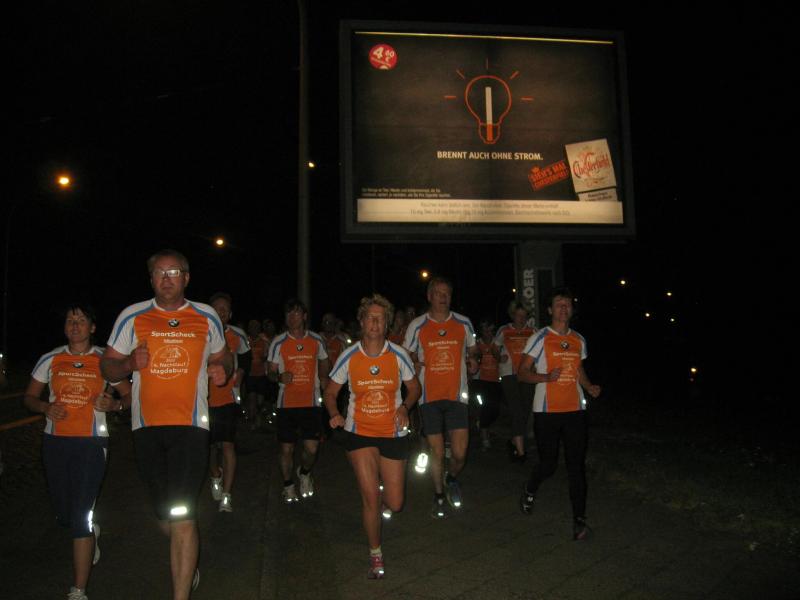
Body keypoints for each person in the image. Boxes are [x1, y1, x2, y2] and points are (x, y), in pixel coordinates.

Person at [101, 249, 232, 600]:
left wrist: (223, 369)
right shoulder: (132, 316)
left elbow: (224, 356)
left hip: (191, 427)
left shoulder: (205, 316)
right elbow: (107, 365)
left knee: (183, 512)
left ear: (186, 278)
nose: (167, 278)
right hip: (146, 427)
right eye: (160, 273)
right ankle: (187, 562)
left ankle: (180, 590)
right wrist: (128, 363)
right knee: (164, 513)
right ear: (151, 280)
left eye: (174, 272)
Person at [23, 304, 132, 600]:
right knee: (65, 515)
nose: (75, 325)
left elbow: (130, 395)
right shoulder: (50, 358)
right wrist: (44, 407)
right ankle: (89, 529)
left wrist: (115, 405)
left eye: (81, 320)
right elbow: (30, 397)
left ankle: (79, 589)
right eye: (70, 320)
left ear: (92, 327)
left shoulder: (105, 360)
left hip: (91, 444)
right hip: (55, 442)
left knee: (80, 516)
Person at [324, 294, 421, 579]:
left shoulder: (398, 355)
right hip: (359, 433)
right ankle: (375, 554)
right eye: (370, 317)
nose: (375, 323)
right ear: (362, 321)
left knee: (396, 503)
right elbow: (330, 392)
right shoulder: (349, 355)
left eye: (381, 318)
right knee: (369, 498)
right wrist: (334, 412)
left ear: (387, 323)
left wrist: (404, 407)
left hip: (392, 433)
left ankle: (383, 498)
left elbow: (415, 388)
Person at [517, 287, 601, 540]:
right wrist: (545, 377)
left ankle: (579, 521)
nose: (564, 308)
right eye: (559, 304)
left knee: (576, 466)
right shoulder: (540, 337)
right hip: (547, 411)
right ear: (550, 310)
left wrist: (589, 386)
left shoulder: (579, 340)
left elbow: (578, 370)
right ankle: (530, 488)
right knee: (549, 464)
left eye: (568, 304)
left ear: (572, 310)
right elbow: (522, 372)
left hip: (575, 410)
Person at [403, 276, 479, 518]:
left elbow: (473, 349)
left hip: (457, 396)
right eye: (438, 293)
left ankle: (451, 477)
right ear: (429, 296)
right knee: (436, 451)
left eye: (447, 293)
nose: (443, 297)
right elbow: (406, 354)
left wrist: (473, 360)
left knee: (460, 453)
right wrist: (414, 362)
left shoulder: (463, 323)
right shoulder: (417, 325)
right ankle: (438, 496)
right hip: (429, 397)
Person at [267, 299, 330, 503]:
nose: (292, 317)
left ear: (304, 316)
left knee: (311, 449)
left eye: (296, 313)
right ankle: (288, 485)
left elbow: (324, 360)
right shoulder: (278, 342)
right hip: (286, 404)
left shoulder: (316, 340)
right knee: (286, 449)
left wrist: (323, 378)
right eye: (289, 314)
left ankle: (304, 473)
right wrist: (278, 377)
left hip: (311, 403)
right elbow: (270, 371)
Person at [207, 293, 251, 513]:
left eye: (225, 309)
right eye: (217, 308)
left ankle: (226, 494)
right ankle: (215, 474)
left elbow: (246, 358)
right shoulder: (201, 333)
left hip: (228, 399)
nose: (221, 312)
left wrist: (240, 373)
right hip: (204, 399)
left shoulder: (237, 335)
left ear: (230, 313)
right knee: (208, 447)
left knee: (227, 445)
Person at [493, 301, 536, 462]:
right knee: (516, 410)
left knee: (525, 410)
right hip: (509, 374)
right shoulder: (504, 330)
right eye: (518, 315)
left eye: (524, 316)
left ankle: (513, 440)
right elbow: (494, 348)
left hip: (527, 374)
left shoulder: (533, 331)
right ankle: (521, 452)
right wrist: (499, 357)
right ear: (512, 315)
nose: (521, 319)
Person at [471, 318, 502, 450]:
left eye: (490, 330)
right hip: (481, 381)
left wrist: (501, 357)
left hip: (496, 380)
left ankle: (483, 425)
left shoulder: (498, 342)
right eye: (485, 330)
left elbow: (502, 358)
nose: (487, 333)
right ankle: (485, 438)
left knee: (495, 410)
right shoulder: (477, 344)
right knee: (485, 407)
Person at [245, 319, 269, 429]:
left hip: (261, 375)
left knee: (260, 401)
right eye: (252, 327)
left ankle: (258, 420)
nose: (254, 329)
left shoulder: (264, 341)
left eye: (256, 327)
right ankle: (252, 421)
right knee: (251, 399)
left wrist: (263, 358)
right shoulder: (246, 340)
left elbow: (268, 356)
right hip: (250, 374)